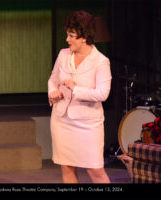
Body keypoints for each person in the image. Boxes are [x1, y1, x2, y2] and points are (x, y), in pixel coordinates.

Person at [48, 11, 112, 183]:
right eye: (67, 35)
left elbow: (102, 93)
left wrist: (76, 89)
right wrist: (52, 92)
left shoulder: (100, 61)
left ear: (84, 37)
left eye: (71, 36)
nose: (67, 40)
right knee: (67, 169)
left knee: (95, 170)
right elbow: (53, 80)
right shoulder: (64, 55)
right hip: (61, 120)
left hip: (88, 124)